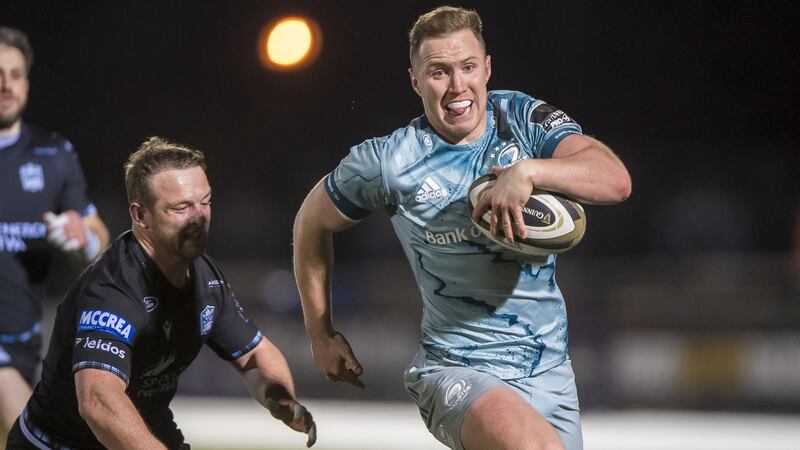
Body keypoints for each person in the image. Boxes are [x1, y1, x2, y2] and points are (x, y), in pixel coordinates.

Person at [293, 6, 631, 450]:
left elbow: (615, 180)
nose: (457, 86)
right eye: (438, 72)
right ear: (415, 81)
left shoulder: (521, 119)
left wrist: (528, 172)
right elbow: (310, 224)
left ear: (487, 69)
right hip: (457, 370)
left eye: (468, 67)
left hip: (549, 372)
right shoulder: (388, 162)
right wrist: (321, 332)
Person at [6, 137, 316, 449]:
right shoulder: (113, 290)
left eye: (205, 202)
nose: (199, 217)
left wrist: (281, 398)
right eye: (181, 207)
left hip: (145, 429)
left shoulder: (204, 276)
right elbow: (99, 401)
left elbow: (254, 354)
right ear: (141, 216)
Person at [0, 26, 110, 446]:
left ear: (27, 82)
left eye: (16, 73)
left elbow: (96, 241)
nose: (6, 84)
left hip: (27, 343)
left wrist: (81, 240)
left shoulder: (53, 154)